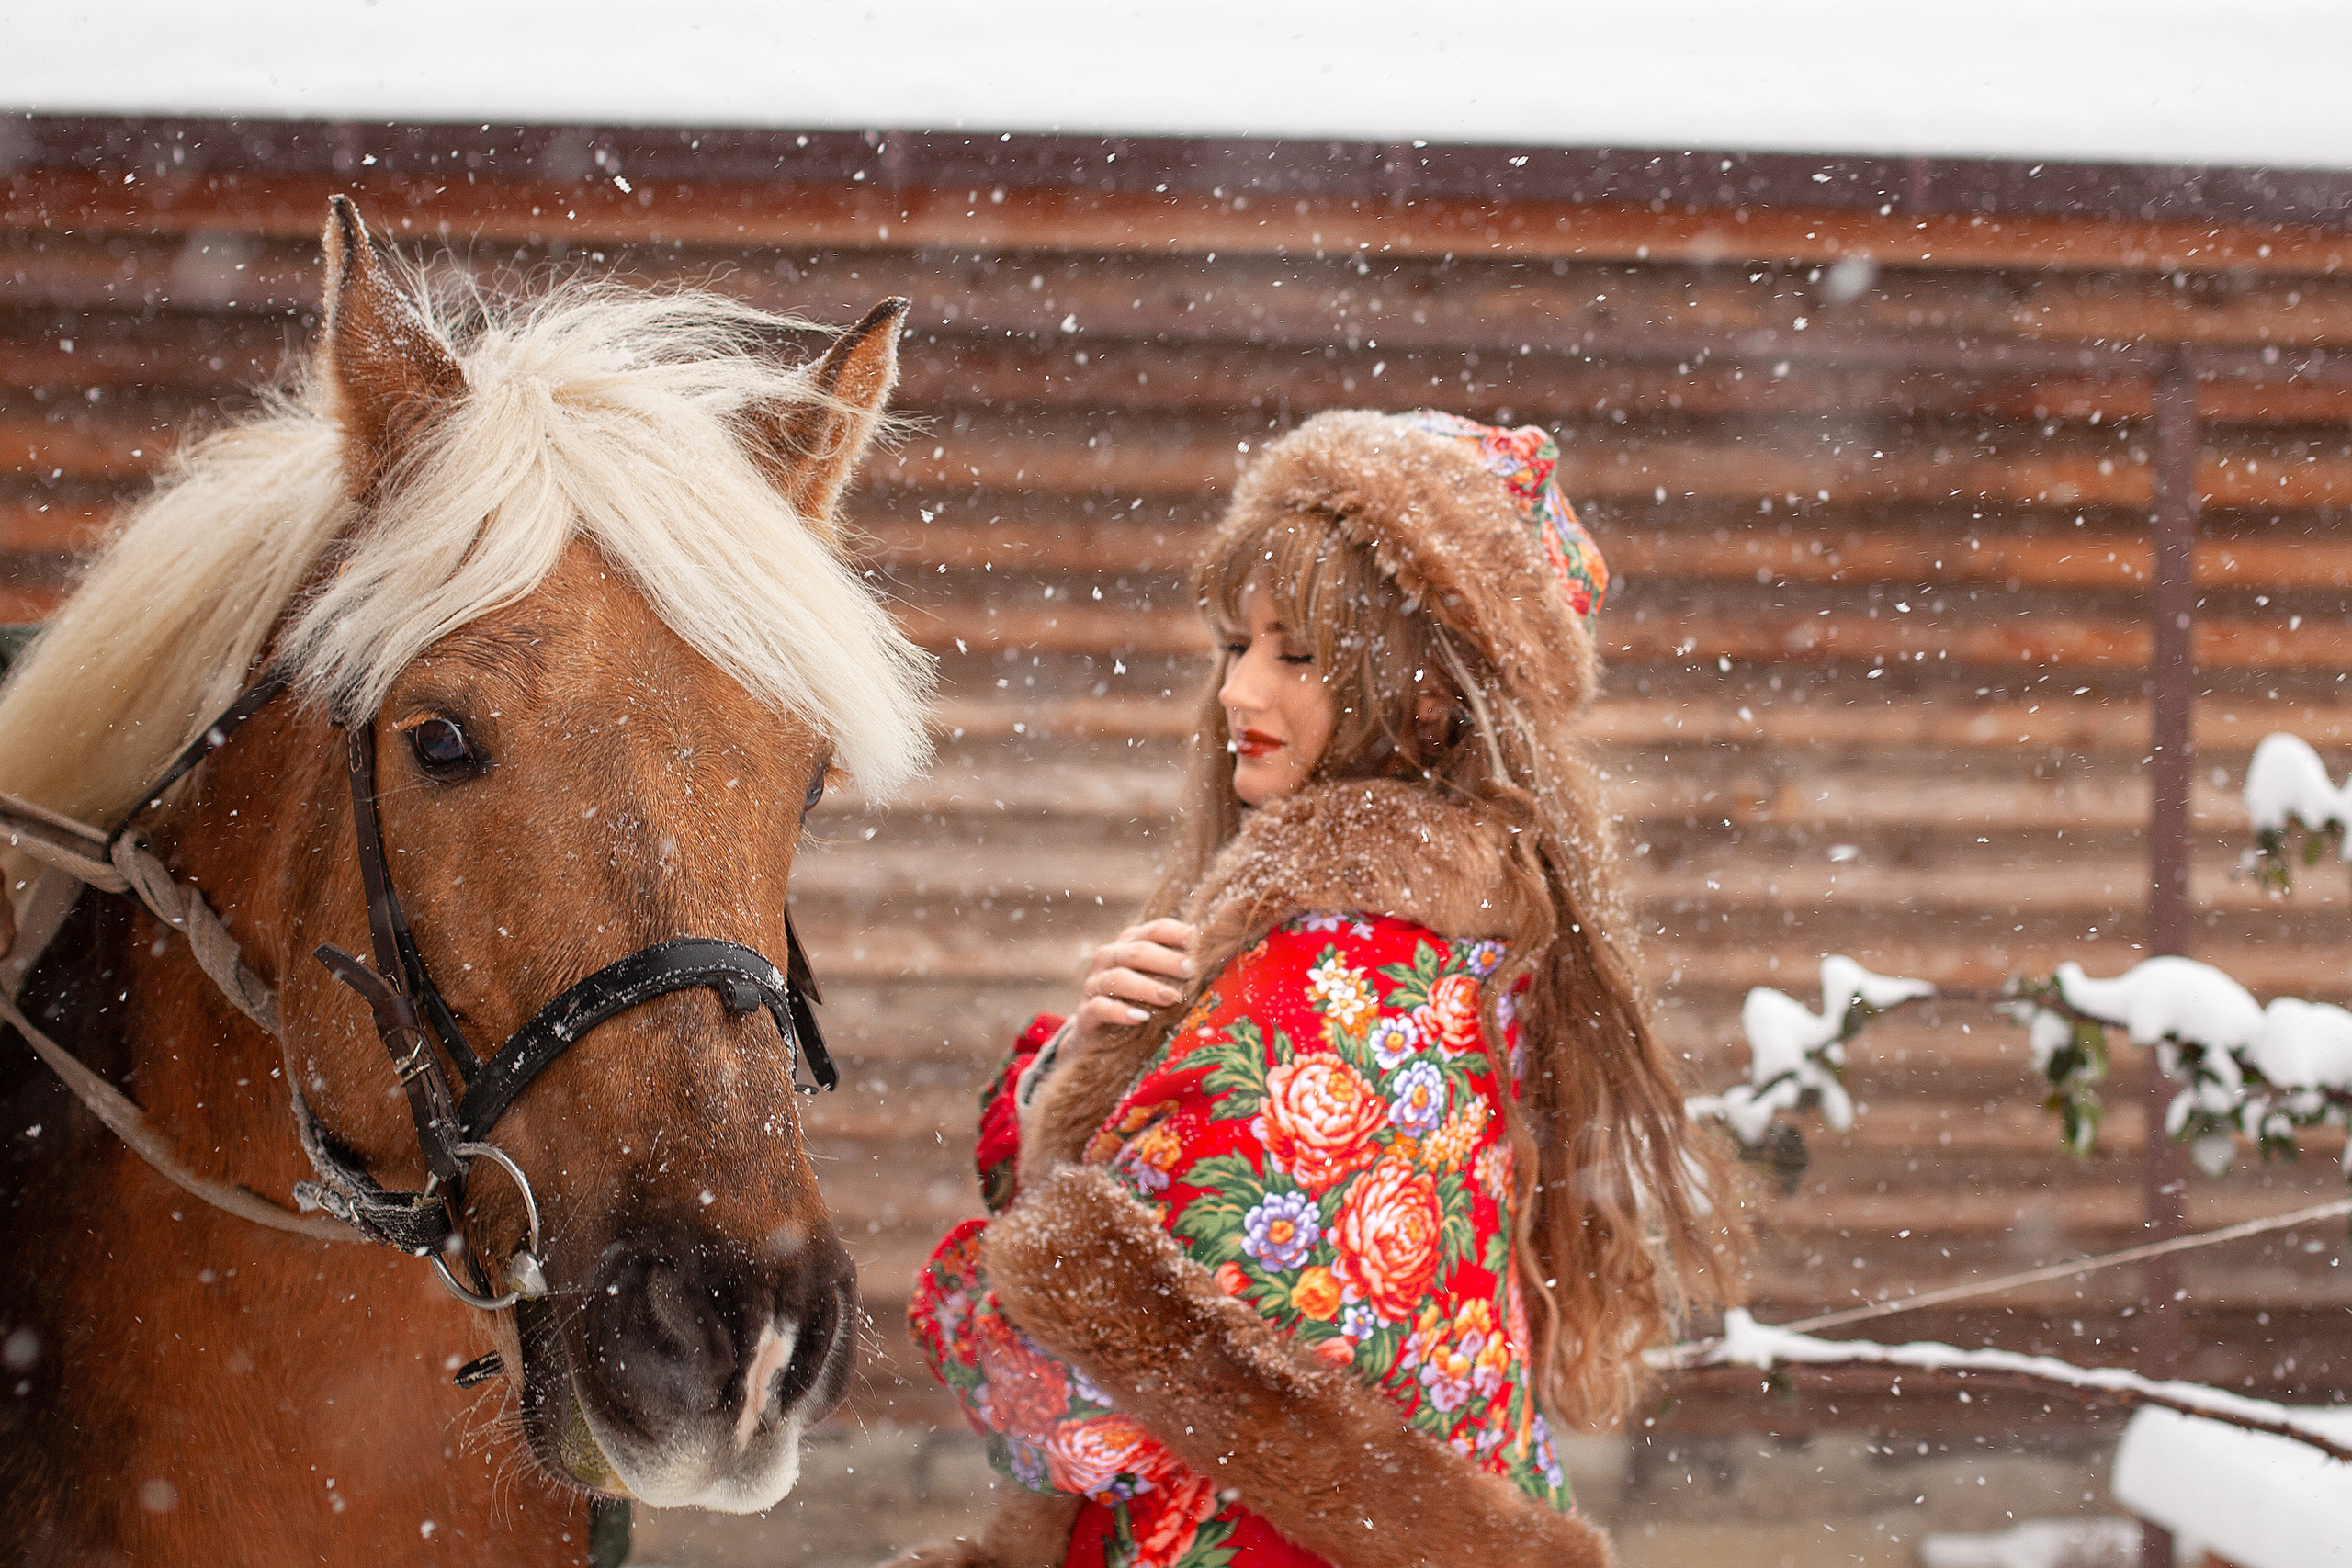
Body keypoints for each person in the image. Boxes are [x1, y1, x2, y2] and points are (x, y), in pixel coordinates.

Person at [900, 410, 1743, 1568]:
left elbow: (1092, 1322)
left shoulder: (1346, 967)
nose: (1239, 689)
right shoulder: (1471, 932)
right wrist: (1098, 1055)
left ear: (1432, 698)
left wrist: (1071, 1101)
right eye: (1233, 644)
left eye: (1295, 654)